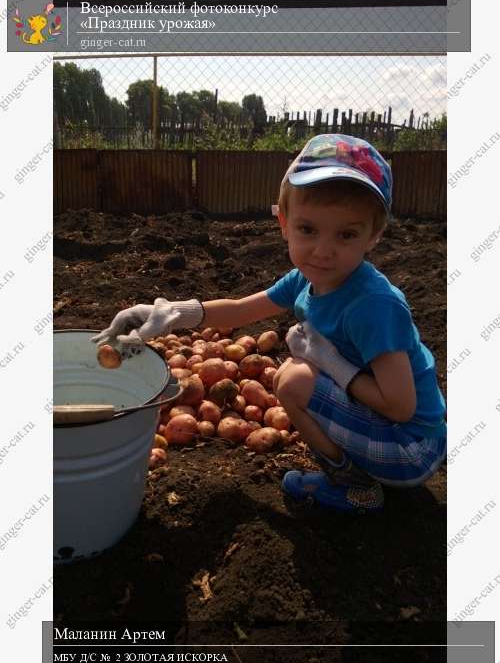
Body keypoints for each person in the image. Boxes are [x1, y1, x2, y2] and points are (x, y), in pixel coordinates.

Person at [92, 134, 447, 513]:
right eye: (308, 229)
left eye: (346, 234)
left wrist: (330, 363)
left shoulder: (374, 306)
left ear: (374, 235)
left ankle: (355, 486)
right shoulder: (309, 278)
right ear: (283, 222)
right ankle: (356, 468)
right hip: (388, 432)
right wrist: (171, 312)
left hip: (411, 450)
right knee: (295, 372)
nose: (323, 250)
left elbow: (401, 408)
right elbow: (242, 309)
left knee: (294, 380)